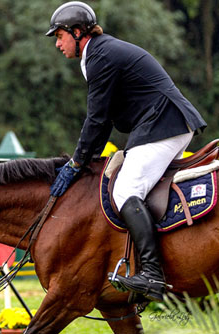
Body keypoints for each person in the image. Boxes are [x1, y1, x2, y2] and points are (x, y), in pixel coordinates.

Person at [46, 1, 207, 301]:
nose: (57, 43)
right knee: (139, 188)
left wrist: (76, 162)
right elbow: (104, 119)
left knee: (125, 190)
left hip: (163, 125)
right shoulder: (100, 53)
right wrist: (83, 159)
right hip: (167, 123)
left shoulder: (99, 57)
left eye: (59, 36)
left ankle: (152, 274)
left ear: (78, 32)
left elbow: (96, 119)